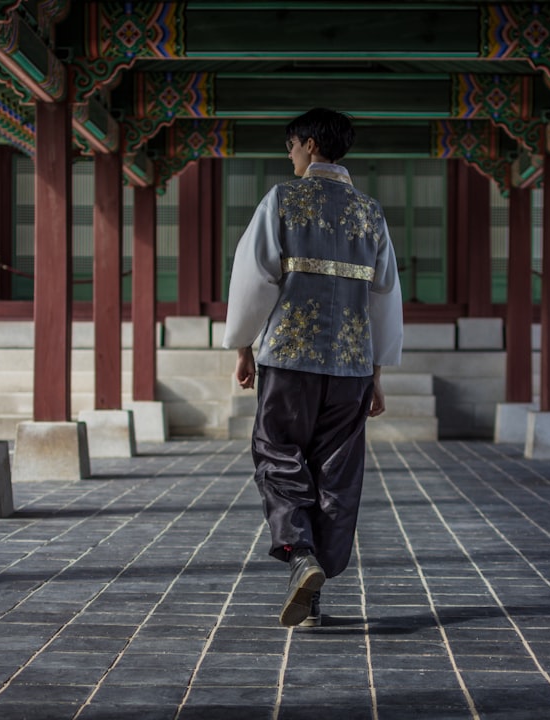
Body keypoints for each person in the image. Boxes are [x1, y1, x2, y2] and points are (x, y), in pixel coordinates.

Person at [223, 108, 404, 627]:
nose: (292, 157)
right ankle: (314, 592)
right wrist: (377, 374)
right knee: (336, 475)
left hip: (289, 359)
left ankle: (299, 555)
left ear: (305, 144)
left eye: (291, 148)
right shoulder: (370, 213)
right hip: (349, 365)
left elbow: (255, 277)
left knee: (279, 454)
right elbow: (384, 298)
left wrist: (241, 345)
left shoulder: (282, 199)